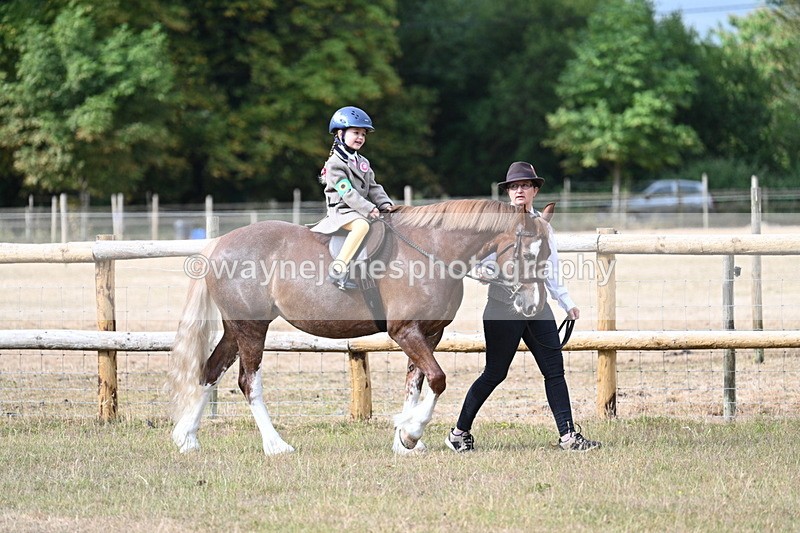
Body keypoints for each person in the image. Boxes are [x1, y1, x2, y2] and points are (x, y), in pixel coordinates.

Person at [445, 161, 601, 452]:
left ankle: (567, 436)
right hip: (503, 307)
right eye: (514, 186)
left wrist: (566, 302)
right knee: (495, 373)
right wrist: (482, 270)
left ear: (535, 190)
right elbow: (476, 259)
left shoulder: (542, 225)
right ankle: (458, 433)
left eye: (525, 186)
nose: (519, 190)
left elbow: (551, 268)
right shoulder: (494, 223)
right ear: (508, 191)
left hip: (538, 306)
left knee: (554, 370)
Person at [310, 106, 393, 290]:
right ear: (340, 133)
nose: (360, 138)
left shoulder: (362, 162)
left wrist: (385, 204)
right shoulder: (335, 164)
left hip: (359, 210)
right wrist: (369, 208)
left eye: (363, 134)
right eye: (356, 132)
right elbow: (347, 193)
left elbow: (373, 186)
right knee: (361, 226)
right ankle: (338, 268)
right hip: (342, 212)